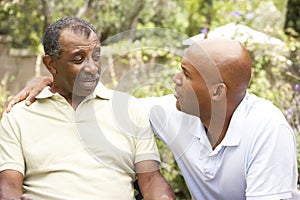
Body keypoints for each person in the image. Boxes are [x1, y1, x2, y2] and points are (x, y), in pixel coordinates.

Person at [5, 38, 300, 199]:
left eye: (186, 74)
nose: (175, 79)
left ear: (217, 91)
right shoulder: (174, 110)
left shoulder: (267, 130)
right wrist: (53, 81)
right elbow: (112, 106)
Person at [0, 17, 175, 200]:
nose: (92, 68)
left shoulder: (129, 108)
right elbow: (9, 185)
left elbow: (150, 179)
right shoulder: (19, 116)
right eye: (78, 59)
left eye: (96, 56)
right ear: (51, 64)